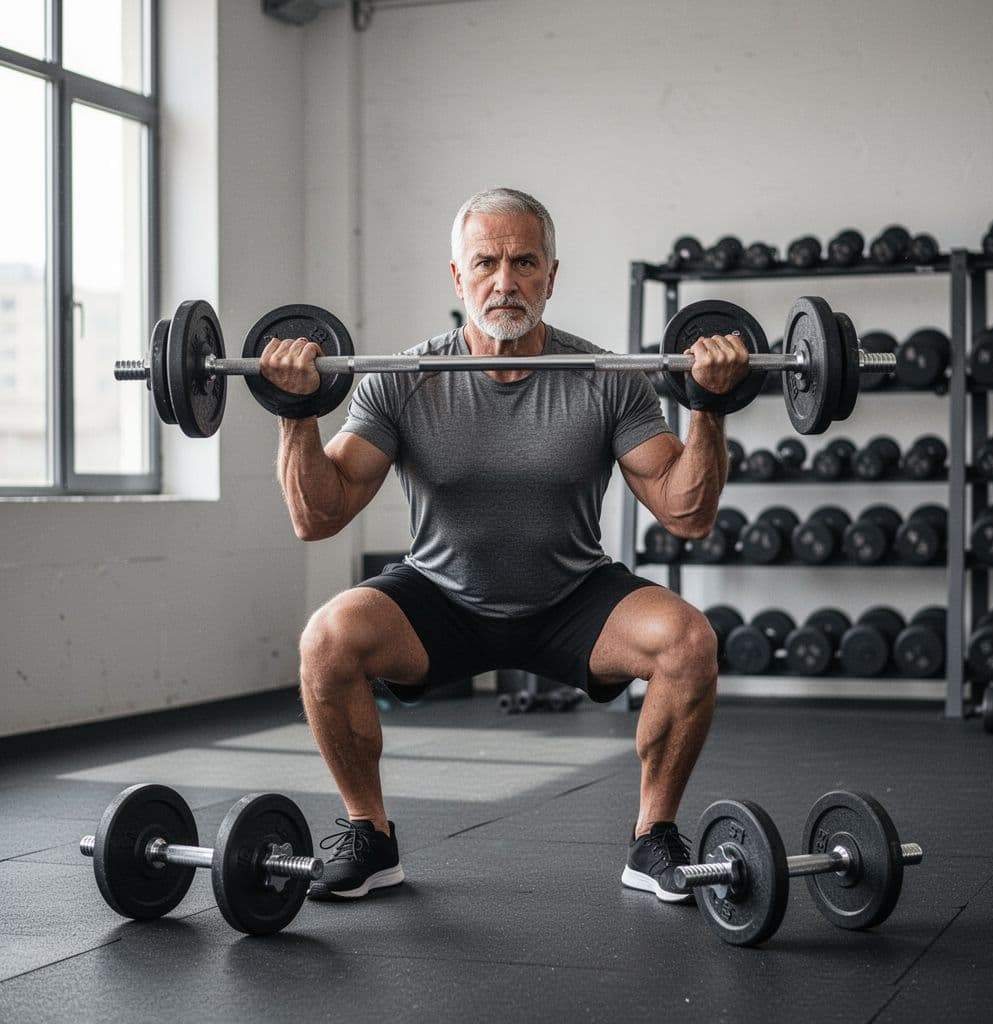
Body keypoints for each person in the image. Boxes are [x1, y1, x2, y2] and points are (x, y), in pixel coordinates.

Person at [259, 187, 750, 904]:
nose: (505, 281)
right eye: (485, 263)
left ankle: (653, 839)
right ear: (458, 278)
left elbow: (688, 514)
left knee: (690, 642)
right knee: (327, 641)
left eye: (524, 262)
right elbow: (318, 515)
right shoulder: (401, 380)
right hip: (440, 598)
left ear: (552, 275)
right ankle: (370, 834)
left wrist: (708, 407)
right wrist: (295, 411)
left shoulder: (608, 380)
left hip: (574, 598)